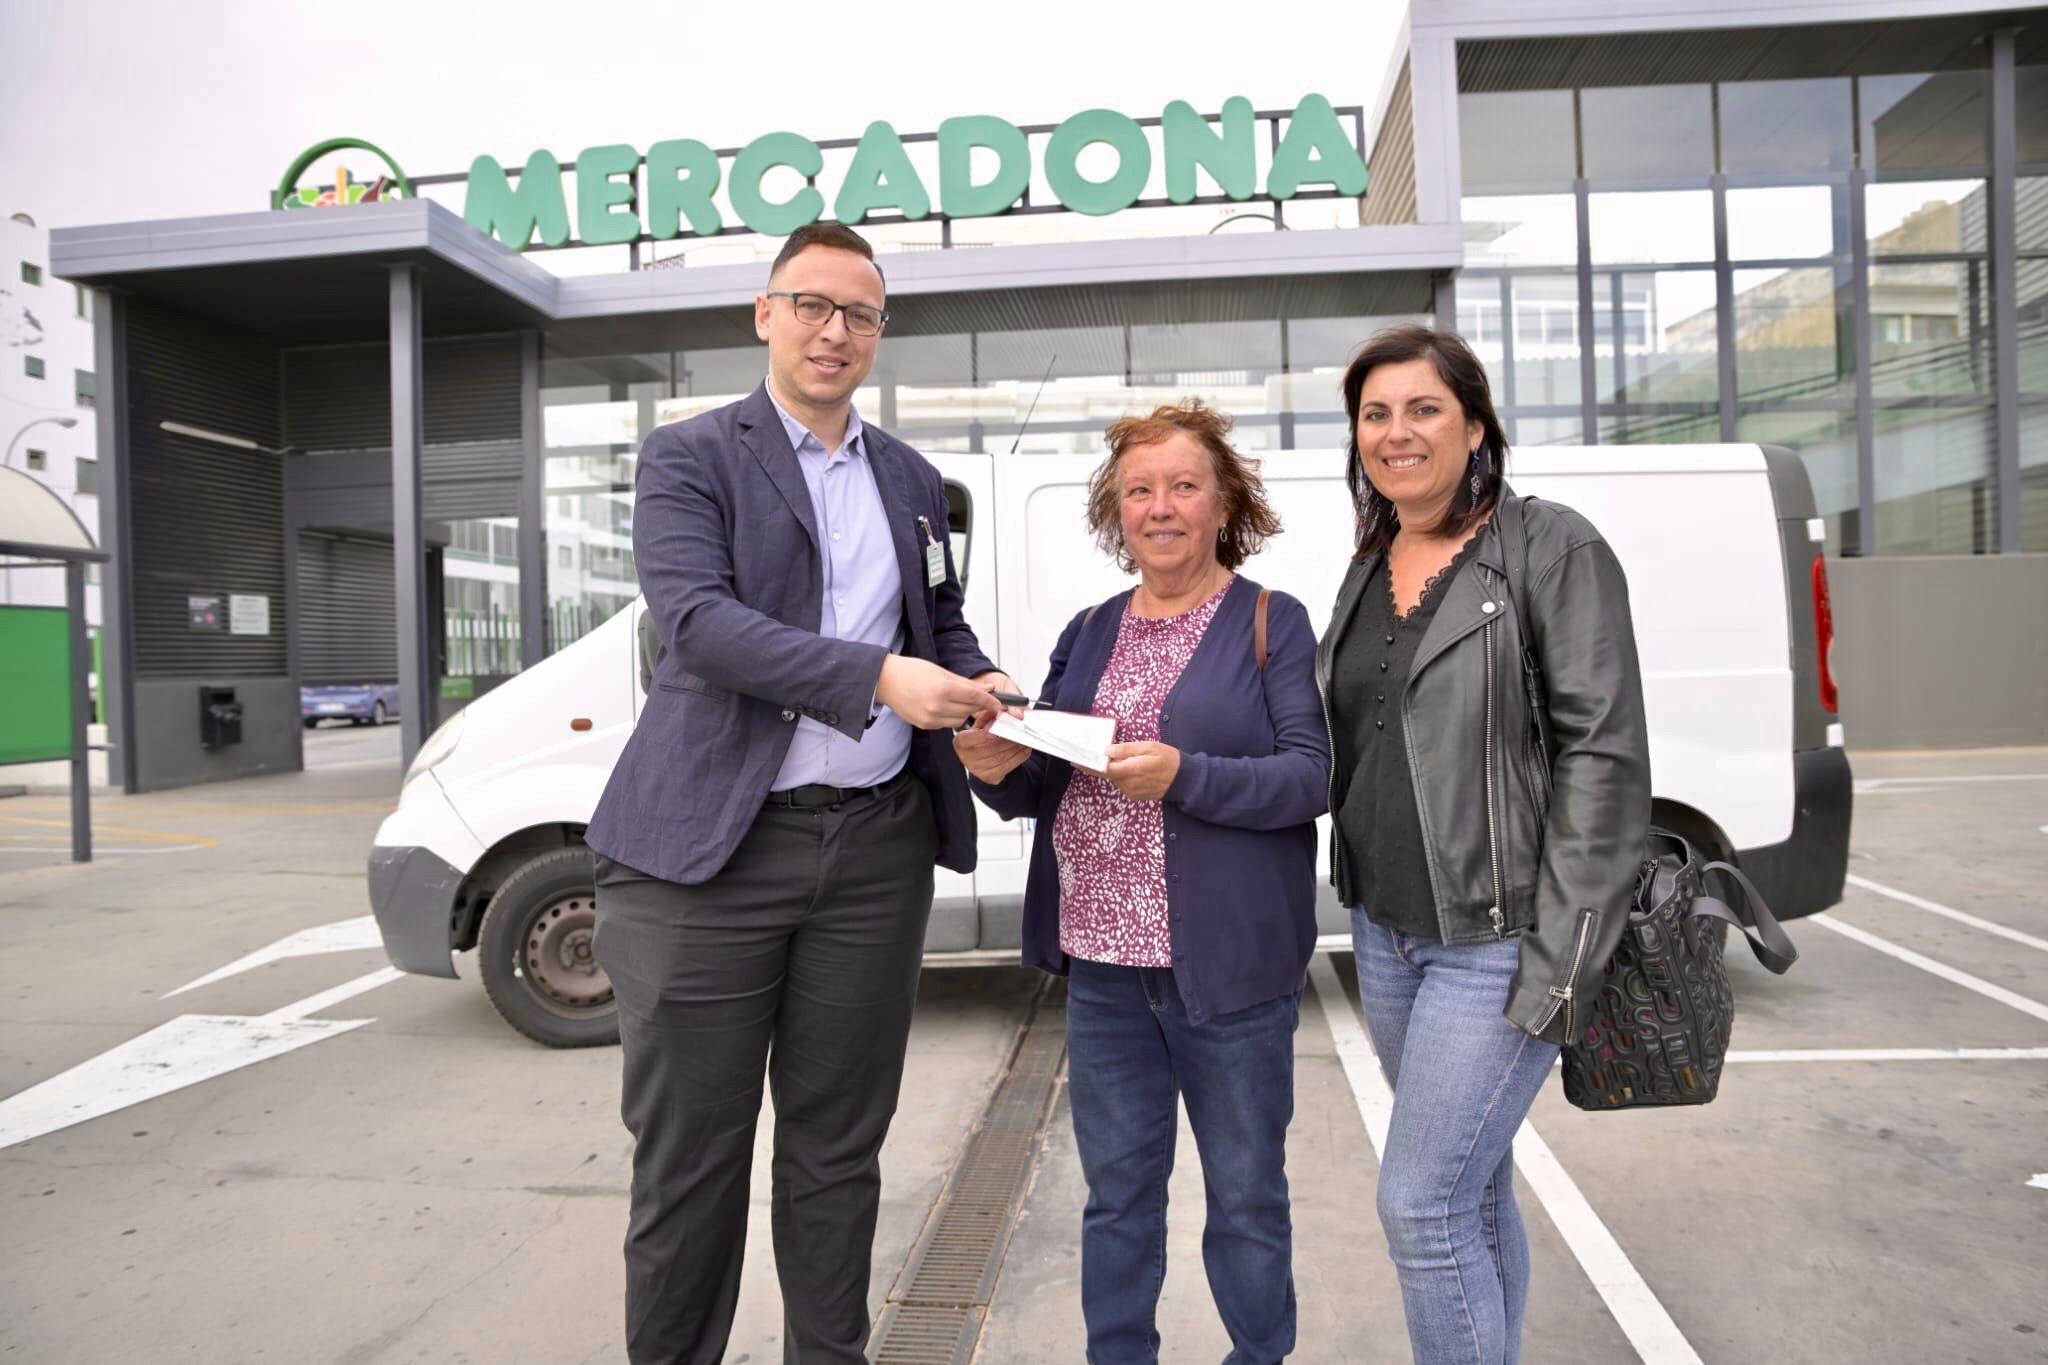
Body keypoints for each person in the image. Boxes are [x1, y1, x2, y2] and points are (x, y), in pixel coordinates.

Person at [583, 222, 1017, 1365]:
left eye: (859, 313)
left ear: (881, 331)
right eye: (811, 305)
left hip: (871, 855)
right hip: (704, 864)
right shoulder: (690, 457)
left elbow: (935, 622)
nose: (834, 331)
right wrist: (876, 678)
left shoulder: (913, 482)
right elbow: (701, 624)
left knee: (836, 1155)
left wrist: (978, 682)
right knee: (690, 1167)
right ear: (763, 314)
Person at [956, 400, 1329, 1365]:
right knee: (1117, 1196)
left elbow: (1310, 776)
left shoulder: (1268, 621)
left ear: (1223, 500)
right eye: (1139, 490)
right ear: (1116, 510)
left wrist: (1185, 776)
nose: (1160, 506)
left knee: (1246, 1195)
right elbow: (1050, 775)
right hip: (1105, 970)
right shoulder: (1089, 630)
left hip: (1230, 975)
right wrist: (996, 766)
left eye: (1183, 485)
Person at [1318, 325, 1650, 1364]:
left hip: (1497, 939)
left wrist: (1567, 958)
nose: (1395, 432)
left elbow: (1602, 757)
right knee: (1472, 1185)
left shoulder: (1548, 546)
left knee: (1419, 1206)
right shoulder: (1370, 560)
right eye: (1375, 413)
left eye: (1422, 409)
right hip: (1385, 931)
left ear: (1473, 424)